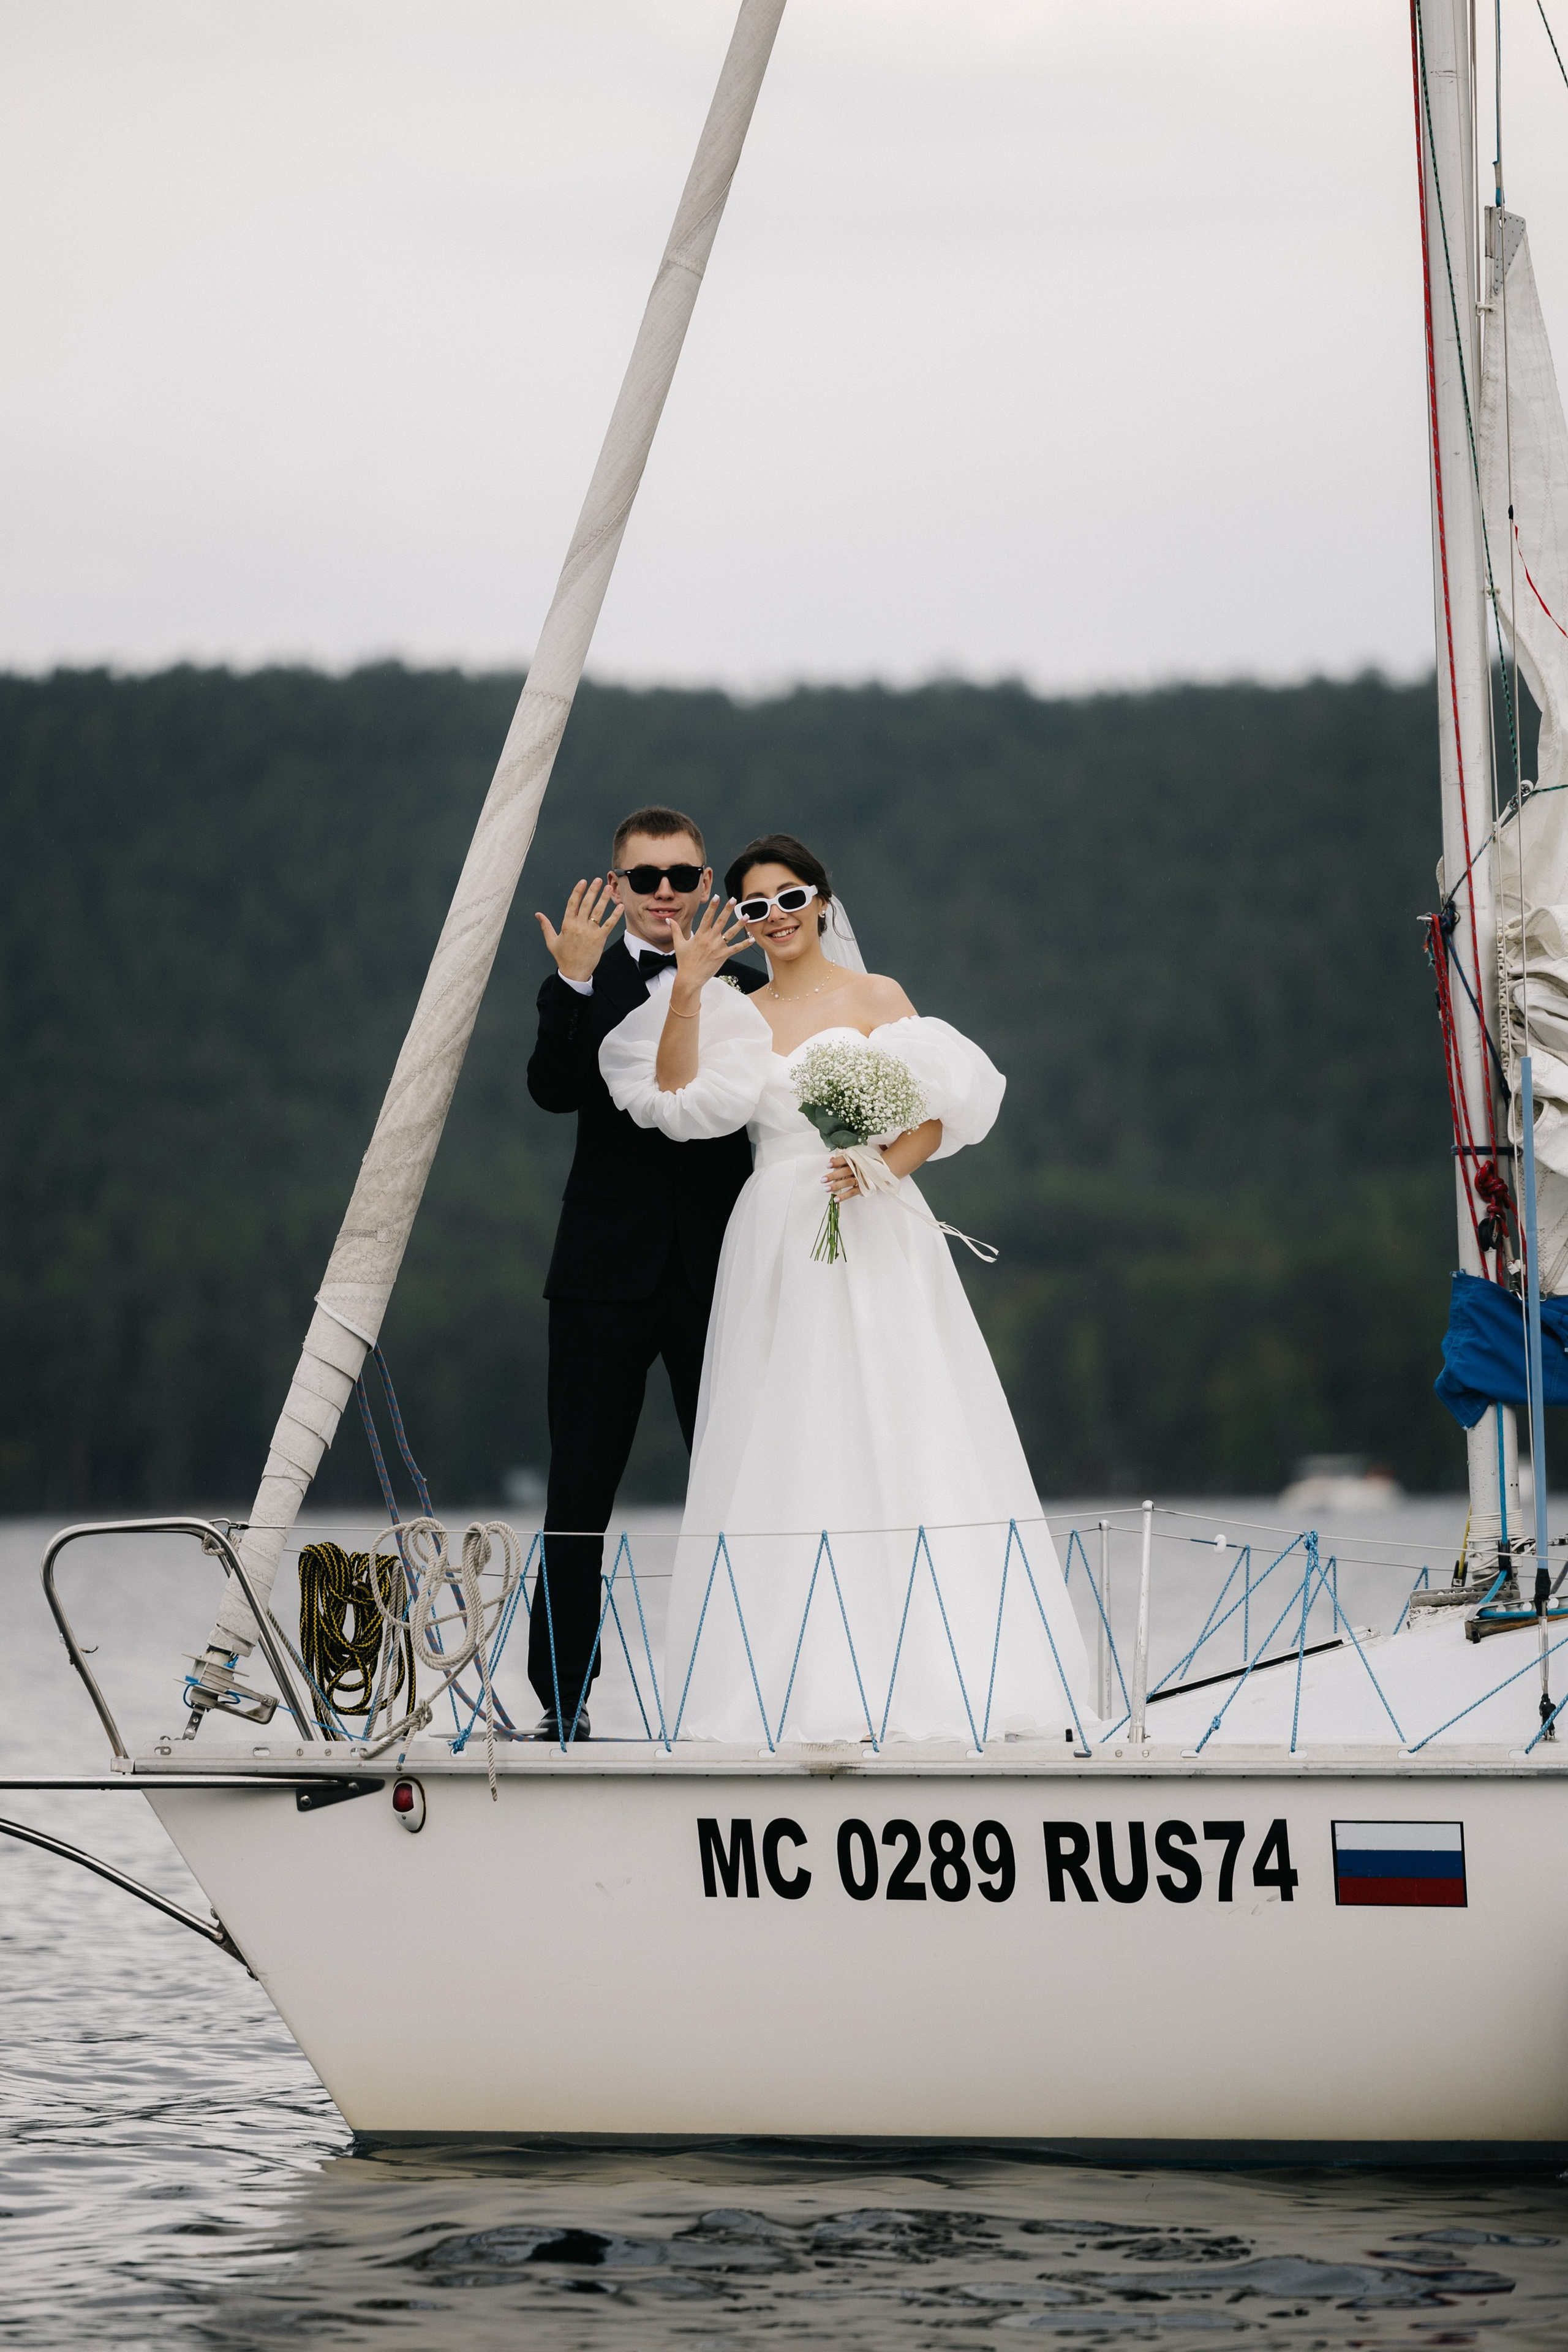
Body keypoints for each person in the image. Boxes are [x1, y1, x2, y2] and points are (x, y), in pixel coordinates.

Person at [598, 832, 1090, 1746]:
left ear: (822, 900)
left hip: (873, 1220)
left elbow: (934, 1116)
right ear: (741, 921)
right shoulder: (736, 1010)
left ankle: (949, 1671)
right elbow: (671, 1097)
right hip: (777, 1233)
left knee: (904, 1416)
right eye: (756, 907)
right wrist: (691, 990)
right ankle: (802, 1681)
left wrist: (878, 1166)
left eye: (790, 898)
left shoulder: (877, 997)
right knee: (793, 1426)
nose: (776, 918)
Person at [525, 805, 766, 1740]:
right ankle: (563, 1705)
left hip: (723, 1274)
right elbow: (552, 1092)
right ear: (616, 884)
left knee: (743, 1488)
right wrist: (573, 979)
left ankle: (756, 1697)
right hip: (599, 1277)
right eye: (645, 877)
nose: (665, 892)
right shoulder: (583, 976)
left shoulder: (748, 988)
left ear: (706, 884)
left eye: (682, 876)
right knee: (578, 1492)